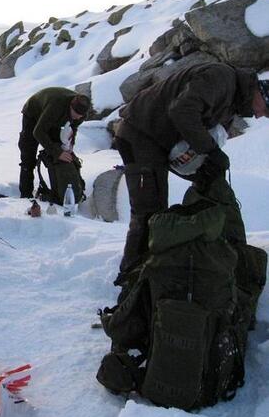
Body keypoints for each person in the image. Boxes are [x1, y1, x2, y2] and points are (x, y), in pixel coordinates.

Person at [113, 62, 269, 279]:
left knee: (202, 184)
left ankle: (170, 259)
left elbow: (199, 135)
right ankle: (132, 276)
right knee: (148, 211)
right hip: (139, 133)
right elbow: (181, 110)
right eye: (266, 110)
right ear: (261, 93)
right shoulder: (220, 78)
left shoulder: (232, 103)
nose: (261, 116)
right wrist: (210, 150)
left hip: (162, 143)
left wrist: (209, 166)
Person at [18, 87, 91, 199]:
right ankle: (26, 195)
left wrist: (69, 146)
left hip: (55, 118)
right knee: (28, 155)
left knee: (59, 149)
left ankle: (58, 190)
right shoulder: (56, 106)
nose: (78, 117)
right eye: (76, 113)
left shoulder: (81, 113)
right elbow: (38, 132)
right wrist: (57, 152)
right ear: (71, 106)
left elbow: (73, 129)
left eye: (81, 115)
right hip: (33, 112)